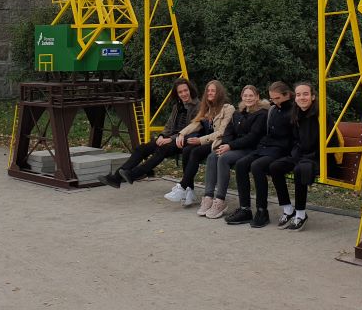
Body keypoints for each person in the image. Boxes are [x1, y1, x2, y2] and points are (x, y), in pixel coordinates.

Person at [98, 78, 199, 188]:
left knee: (162, 149)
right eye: (180, 92)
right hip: (169, 138)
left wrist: (171, 139)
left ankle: (133, 174)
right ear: (177, 94)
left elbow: (193, 129)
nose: (184, 94)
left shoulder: (198, 106)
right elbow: (169, 125)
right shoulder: (177, 106)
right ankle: (116, 178)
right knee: (142, 148)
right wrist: (161, 136)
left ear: (190, 90)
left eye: (185, 90)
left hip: (184, 141)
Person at [225, 81, 294, 228]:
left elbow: (292, 137)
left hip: (281, 150)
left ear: (287, 95)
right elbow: (268, 132)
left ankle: (262, 211)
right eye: (272, 99)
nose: (274, 102)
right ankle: (245, 209)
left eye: (277, 99)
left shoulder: (293, 111)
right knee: (241, 164)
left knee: (257, 166)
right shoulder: (274, 110)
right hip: (265, 147)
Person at [199, 85, 269, 219]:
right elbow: (229, 132)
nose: (248, 98)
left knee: (224, 158)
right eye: (245, 95)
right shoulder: (238, 113)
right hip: (236, 147)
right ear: (242, 97)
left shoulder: (261, 113)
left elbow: (252, 137)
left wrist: (230, 146)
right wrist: (225, 144)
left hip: (251, 149)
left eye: (251, 95)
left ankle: (220, 200)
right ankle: (208, 197)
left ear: (257, 97)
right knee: (213, 156)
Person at [162, 80, 234, 208]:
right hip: (207, 141)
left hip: (218, 142)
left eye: (213, 91)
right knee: (187, 149)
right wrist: (181, 134)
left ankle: (183, 186)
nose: (210, 93)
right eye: (208, 91)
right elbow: (195, 123)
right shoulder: (208, 108)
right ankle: (188, 190)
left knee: (195, 151)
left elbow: (221, 133)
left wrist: (200, 141)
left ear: (219, 93)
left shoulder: (227, 108)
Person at [269, 81, 319, 231]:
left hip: (317, 156)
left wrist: (303, 155)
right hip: (301, 154)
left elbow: (321, 142)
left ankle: (301, 214)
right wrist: (295, 154)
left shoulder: (319, 115)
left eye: (305, 94)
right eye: (298, 94)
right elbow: (297, 140)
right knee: (275, 167)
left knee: (299, 170)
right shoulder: (296, 114)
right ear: (294, 97)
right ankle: (288, 209)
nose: (301, 97)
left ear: (313, 97)